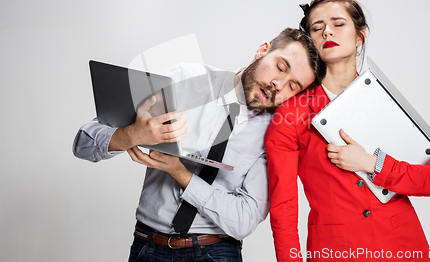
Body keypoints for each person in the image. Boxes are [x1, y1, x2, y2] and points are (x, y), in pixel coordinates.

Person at [73, 28, 326, 262]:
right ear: (262, 50)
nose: (278, 84)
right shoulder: (185, 79)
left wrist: (180, 173)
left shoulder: (277, 132)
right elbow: (83, 143)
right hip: (147, 246)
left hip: (217, 252)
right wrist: (132, 135)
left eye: (293, 86)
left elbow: (244, 220)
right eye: (280, 67)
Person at [264, 0, 430, 261]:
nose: (328, 32)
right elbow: (284, 209)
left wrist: (373, 164)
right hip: (334, 250)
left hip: (402, 247)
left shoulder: (384, 99)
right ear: (310, 42)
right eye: (318, 28)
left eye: (338, 24)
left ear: (359, 37)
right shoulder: (289, 116)